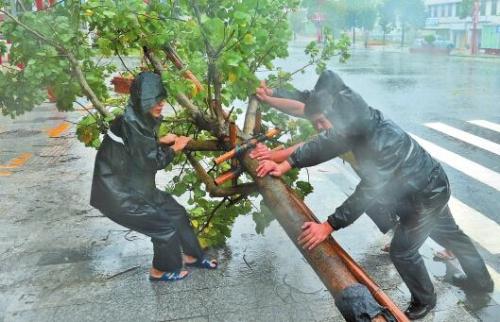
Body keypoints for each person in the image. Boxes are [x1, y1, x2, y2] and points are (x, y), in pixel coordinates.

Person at [254, 70, 494, 320]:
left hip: (425, 196)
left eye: (321, 122)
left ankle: (425, 300)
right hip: (426, 184)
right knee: (451, 235)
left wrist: (329, 225)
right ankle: (482, 283)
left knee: (403, 251)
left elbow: (368, 191)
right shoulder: (351, 119)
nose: (318, 127)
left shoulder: (381, 140)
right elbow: (320, 138)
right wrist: (287, 163)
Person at [90, 72, 217, 282]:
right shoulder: (133, 123)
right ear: (143, 100)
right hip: (118, 195)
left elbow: (136, 151)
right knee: (163, 227)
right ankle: (159, 270)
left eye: (162, 100)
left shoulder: (138, 117)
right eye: (156, 101)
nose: (161, 105)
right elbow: (151, 163)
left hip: (134, 187)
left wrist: (158, 142)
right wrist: (175, 148)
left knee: (176, 213)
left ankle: (193, 255)